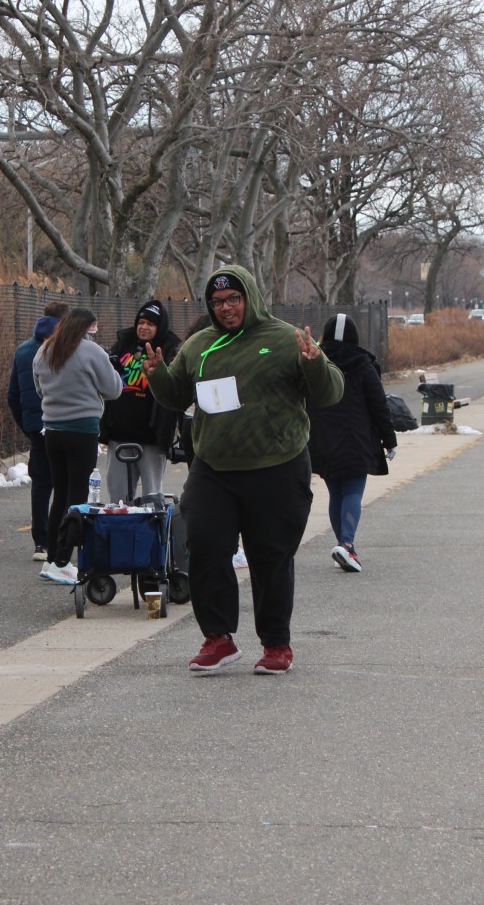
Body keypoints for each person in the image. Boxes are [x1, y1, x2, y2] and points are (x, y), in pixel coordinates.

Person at [144, 263, 343, 675]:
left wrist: (314, 363)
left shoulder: (285, 338)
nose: (226, 308)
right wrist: (158, 375)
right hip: (213, 467)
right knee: (204, 545)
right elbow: (176, 395)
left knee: (270, 556)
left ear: (250, 297)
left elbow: (330, 393)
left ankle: (276, 643)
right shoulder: (199, 344)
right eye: (217, 301)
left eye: (234, 299)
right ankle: (218, 638)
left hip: (277, 466)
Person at [33, 307, 123, 584]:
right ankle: (63, 560)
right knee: (77, 497)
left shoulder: (45, 350)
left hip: (52, 430)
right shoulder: (91, 352)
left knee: (60, 495)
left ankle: (52, 558)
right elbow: (114, 389)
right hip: (82, 429)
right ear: (88, 328)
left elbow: (39, 389)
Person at [307, 313, 396, 573]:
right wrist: (389, 439)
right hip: (356, 438)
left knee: (336, 493)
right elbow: (379, 404)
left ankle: (343, 546)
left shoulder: (317, 361)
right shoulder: (362, 363)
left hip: (322, 438)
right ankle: (346, 544)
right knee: (353, 492)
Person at [6, 300, 70, 560]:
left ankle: (41, 542)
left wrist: (28, 424)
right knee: (68, 484)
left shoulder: (23, 350)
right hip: (64, 424)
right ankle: (65, 538)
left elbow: (12, 395)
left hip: (37, 427)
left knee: (41, 485)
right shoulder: (65, 349)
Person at [101, 299, 182, 502]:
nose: (144, 327)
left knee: (152, 499)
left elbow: (176, 391)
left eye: (150, 324)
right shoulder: (123, 344)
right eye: (141, 322)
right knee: (118, 499)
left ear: (159, 327)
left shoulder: (169, 350)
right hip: (120, 433)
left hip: (152, 437)